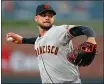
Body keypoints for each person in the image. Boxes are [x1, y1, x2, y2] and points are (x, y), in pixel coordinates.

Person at [6, 4, 97, 84]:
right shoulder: (39, 40)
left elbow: (84, 28)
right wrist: (23, 40)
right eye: (43, 15)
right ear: (36, 18)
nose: (47, 18)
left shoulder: (60, 31)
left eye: (50, 15)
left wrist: (91, 38)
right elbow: (40, 39)